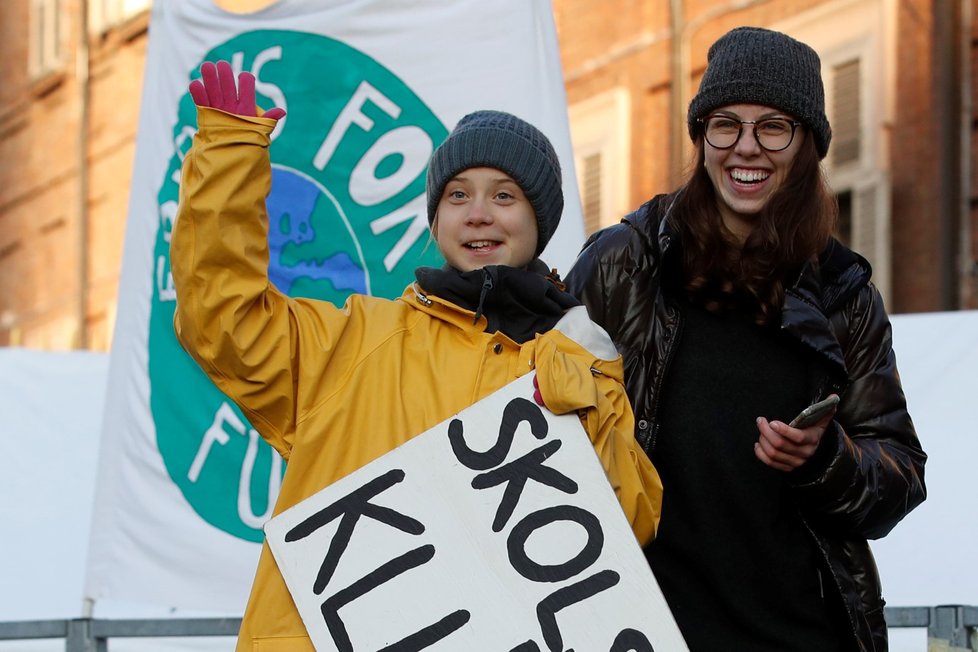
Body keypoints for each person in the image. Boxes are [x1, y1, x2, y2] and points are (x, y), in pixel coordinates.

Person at [172, 60, 663, 650]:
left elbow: (626, 526)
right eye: (458, 195)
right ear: (436, 220)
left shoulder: (579, 357)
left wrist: (584, 397)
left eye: (503, 195)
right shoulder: (354, 342)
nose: (478, 212)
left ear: (540, 219)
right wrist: (227, 156)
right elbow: (222, 318)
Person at [565, 26, 927, 652]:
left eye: (774, 126)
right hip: (646, 632)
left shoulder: (846, 293)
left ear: (808, 144)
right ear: (701, 137)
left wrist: (825, 459)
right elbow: (538, 415)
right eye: (725, 124)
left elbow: (899, 479)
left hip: (802, 635)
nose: (746, 148)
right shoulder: (625, 261)